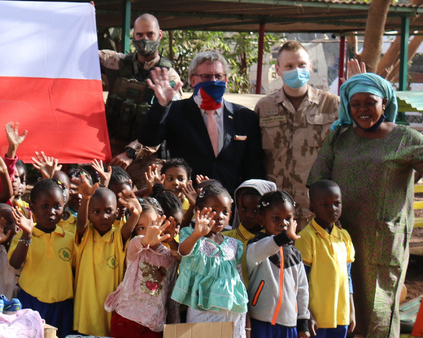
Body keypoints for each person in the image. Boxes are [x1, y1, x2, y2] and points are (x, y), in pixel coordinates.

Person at [307, 72, 423, 338]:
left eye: (369, 103)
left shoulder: (405, 138)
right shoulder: (339, 139)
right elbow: (317, 179)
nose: (362, 109)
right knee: (343, 302)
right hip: (342, 239)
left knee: (381, 307)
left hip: (384, 241)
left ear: (384, 103)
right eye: (355, 103)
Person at [139, 51, 264, 194]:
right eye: (207, 76)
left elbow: (254, 167)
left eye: (218, 76)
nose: (214, 81)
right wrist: (162, 104)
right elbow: (148, 139)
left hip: (229, 203)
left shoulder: (244, 116)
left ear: (226, 79)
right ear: (193, 80)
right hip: (187, 201)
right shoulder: (175, 112)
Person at [255, 41, 339, 229]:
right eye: (289, 66)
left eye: (301, 65)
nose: (296, 70)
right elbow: (255, 157)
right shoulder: (264, 107)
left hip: (316, 210)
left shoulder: (332, 105)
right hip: (275, 213)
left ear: (310, 65)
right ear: (278, 70)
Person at [172, 183, 248, 338]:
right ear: (198, 211)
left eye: (226, 212)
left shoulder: (234, 244)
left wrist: (249, 323)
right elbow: (183, 251)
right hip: (203, 310)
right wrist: (197, 234)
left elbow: (240, 281)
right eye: (214, 210)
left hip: (233, 312)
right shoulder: (191, 236)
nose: (220, 217)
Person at [101, 13, 182, 177]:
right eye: (139, 35)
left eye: (150, 34)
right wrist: (86, 15)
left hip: (145, 158)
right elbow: (83, 55)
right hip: (109, 149)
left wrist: (131, 152)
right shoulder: (117, 63)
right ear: (133, 35)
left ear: (159, 35)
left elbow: (165, 125)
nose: (145, 39)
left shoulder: (169, 77)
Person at [104, 198, 179, 338]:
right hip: (124, 321)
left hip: (152, 326)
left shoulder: (168, 255)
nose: (150, 231)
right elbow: (139, 242)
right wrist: (146, 239)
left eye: (154, 224)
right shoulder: (135, 248)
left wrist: (172, 240)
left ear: (163, 221)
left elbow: (180, 256)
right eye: (142, 228)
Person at [296, 180, 355, 338]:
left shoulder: (344, 237)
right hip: (316, 317)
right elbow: (301, 279)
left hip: (340, 314)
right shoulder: (306, 238)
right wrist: (307, 313)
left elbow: (347, 276)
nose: (332, 209)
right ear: (312, 207)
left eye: (336, 203)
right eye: (325, 205)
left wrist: (352, 309)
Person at [244, 191, 310, 338]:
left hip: (288, 325)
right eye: (276, 218)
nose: (283, 223)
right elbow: (263, 249)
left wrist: (303, 320)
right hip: (260, 324)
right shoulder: (256, 246)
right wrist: (284, 238)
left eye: (288, 218)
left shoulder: (295, 254)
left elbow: (302, 289)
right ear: (262, 220)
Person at [8, 180, 75, 338]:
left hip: (62, 306)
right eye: (45, 206)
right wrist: (27, 235)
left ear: (64, 208)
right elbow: (15, 263)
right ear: (33, 207)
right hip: (31, 303)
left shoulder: (70, 239)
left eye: (57, 206)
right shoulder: (23, 235)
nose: (51, 211)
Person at [73, 181, 140, 337]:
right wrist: (85, 198)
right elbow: (81, 223)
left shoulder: (118, 236)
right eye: (96, 211)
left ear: (117, 213)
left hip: (109, 312)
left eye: (108, 211)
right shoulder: (86, 234)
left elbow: (130, 226)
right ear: (89, 213)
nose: (103, 216)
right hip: (85, 311)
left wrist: (136, 213)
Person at [224, 179, 274, 281]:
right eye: (244, 209)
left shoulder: (273, 242)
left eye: (255, 210)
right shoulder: (225, 238)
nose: (248, 215)